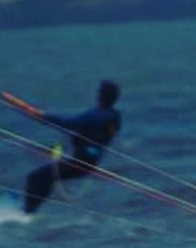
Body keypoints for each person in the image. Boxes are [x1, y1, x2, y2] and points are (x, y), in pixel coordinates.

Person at [16, 80, 122, 214]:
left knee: (35, 177)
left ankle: (27, 212)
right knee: (47, 178)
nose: (97, 95)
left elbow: (67, 123)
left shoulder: (98, 115)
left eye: (99, 93)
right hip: (90, 163)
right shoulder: (115, 117)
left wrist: (42, 116)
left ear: (102, 96)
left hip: (79, 164)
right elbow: (95, 134)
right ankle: (30, 210)